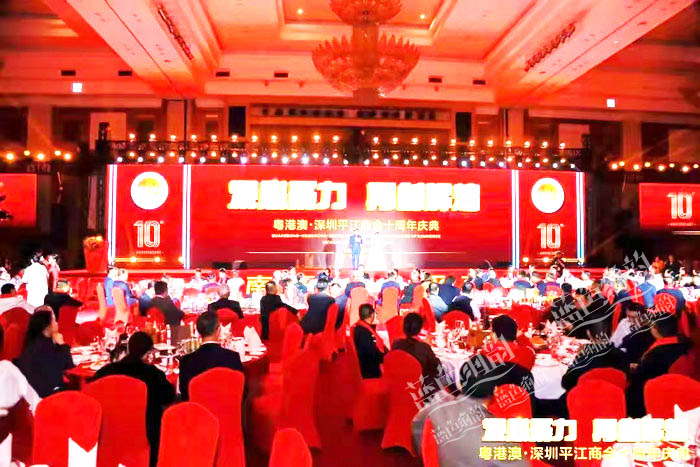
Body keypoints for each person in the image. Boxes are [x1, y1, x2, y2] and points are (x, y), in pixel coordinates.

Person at [411, 354, 530, 467]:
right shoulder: (500, 437)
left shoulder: (434, 409)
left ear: (461, 384)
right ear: (495, 390)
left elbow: (417, 428)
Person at [90, 332, 175, 466]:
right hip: (146, 435)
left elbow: (91, 392)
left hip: (109, 434)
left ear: (129, 348)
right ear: (148, 353)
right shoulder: (153, 373)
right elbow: (168, 396)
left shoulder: (106, 372)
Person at [627, 313, 692, 416]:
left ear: (655, 329)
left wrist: (637, 368)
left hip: (658, 396)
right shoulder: (685, 344)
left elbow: (641, 380)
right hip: (684, 393)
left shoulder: (655, 355)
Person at [178, 312, 243, 400]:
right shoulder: (232, 357)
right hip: (226, 407)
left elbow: (185, 395)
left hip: (197, 407)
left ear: (198, 331)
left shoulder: (186, 361)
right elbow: (240, 391)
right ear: (219, 329)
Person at [16, 308, 74, 398]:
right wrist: (62, 344)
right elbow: (69, 366)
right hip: (49, 396)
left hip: (33, 395)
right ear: (47, 327)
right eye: (54, 321)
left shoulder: (33, 344)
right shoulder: (46, 346)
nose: (57, 323)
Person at [560, 320, 626, 391]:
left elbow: (566, 382)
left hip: (587, 395)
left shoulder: (585, 360)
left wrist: (577, 358)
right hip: (615, 395)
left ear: (588, 333)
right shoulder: (622, 355)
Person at [391, 313, 441, 386]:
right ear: (420, 329)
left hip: (399, 383)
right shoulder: (424, 348)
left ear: (404, 328)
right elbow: (436, 367)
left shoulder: (396, 344)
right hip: (420, 387)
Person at [352, 304, 387, 379]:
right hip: (369, 370)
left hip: (362, 366)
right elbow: (372, 352)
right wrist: (386, 356)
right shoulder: (364, 332)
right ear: (372, 314)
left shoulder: (359, 328)